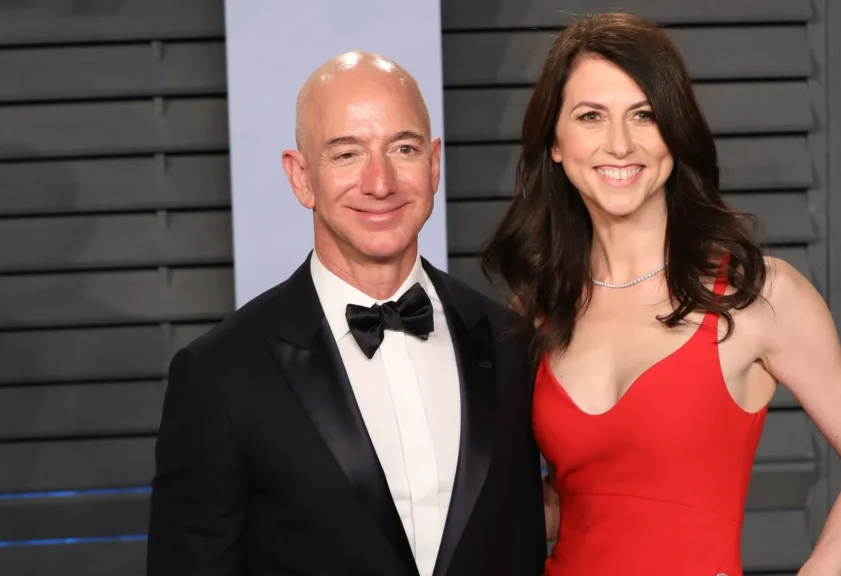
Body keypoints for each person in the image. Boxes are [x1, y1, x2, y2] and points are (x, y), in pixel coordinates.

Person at [480, 13, 841, 576]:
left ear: (674, 136)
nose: (619, 143)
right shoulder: (539, 310)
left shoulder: (758, 295)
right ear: (555, 143)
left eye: (644, 115)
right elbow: (562, 507)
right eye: (590, 117)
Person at [147, 51, 547, 576]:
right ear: (301, 177)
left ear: (434, 165)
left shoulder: (510, 342)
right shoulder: (220, 374)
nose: (380, 182)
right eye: (346, 154)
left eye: (402, 149)